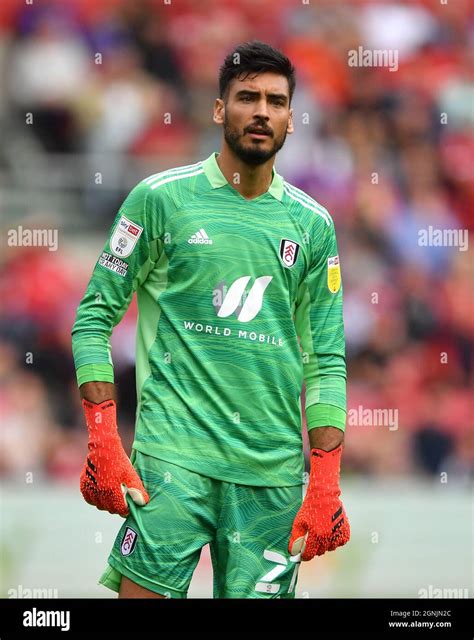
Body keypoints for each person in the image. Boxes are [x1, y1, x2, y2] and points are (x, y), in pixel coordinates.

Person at [71, 40, 350, 600]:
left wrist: (325, 479)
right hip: (173, 458)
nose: (262, 112)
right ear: (220, 109)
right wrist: (103, 437)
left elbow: (326, 359)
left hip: (271, 477)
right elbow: (94, 316)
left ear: (292, 120)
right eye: (247, 97)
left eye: (276, 101)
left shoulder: (313, 225)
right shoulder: (160, 200)